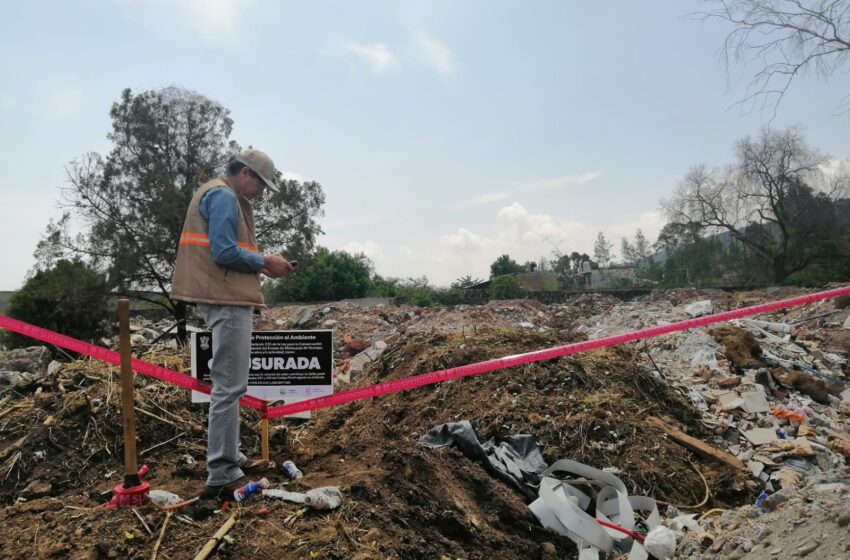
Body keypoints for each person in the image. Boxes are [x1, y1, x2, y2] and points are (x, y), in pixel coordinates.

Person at [171, 148, 293, 497]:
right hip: (226, 300)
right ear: (246, 173)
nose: (261, 192)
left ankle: (230, 456)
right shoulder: (224, 197)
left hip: (224, 297)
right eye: (261, 184)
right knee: (229, 385)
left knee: (230, 383)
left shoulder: (218, 193)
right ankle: (223, 471)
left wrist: (263, 262)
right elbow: (223, 252)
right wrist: (265, 262)